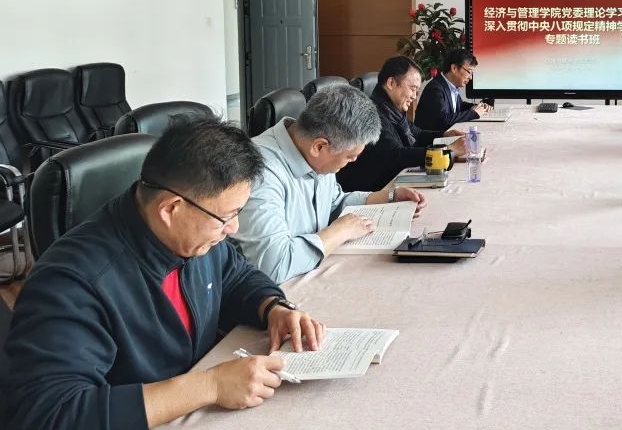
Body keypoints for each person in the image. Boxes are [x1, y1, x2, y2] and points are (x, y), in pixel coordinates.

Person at [3, 118, 326, 429]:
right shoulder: (71, 283)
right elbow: (52, 414)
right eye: (226, 217)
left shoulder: (194, 236)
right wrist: (210, 385)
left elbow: (236, 277)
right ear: (170, 209)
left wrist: (273, 308)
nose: (234, 228)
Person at [233, 85, 427, 284]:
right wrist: (339, 232)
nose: (352, 162)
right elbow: (273, 265)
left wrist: (390, 196)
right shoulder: (259, 171)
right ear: (319, 146)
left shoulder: (312, 150)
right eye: (349, 157)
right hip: (274, 292)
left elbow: (334, 202)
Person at [338, 56, 467, 193]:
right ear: (391, 83)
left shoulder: (393, 109)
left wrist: (445, 135)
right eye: (412, 88)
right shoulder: (372, 115)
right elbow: (396, 156)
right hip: (372, 191)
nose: (414, 96)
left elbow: (417, 133)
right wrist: (448, 151)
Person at [414, 48, 491, 131]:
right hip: (432, 138)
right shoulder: (435, 89)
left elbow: (460, 106)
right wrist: (473, 113)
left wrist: (477, 107)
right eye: (469, 72)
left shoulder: (450, 86)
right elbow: (443, 120)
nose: (470, 77)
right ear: (454, 68)